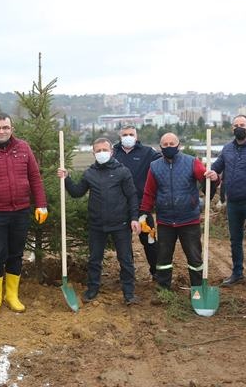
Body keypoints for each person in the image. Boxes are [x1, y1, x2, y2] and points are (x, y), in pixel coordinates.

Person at [0, 113, 48, 317]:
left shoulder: (23, 148)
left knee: (16, 254)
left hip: (20, 211)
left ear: (12, 129)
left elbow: (35, 177)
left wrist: (41, 205)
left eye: (5, 127)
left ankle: (11, 295)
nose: (1, 131)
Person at [57, 137, 140, 305]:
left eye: (105, 150)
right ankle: (92, 289)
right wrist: (66, 178)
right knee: (94, 259)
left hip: (120, 224)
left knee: (125, 259)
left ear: (111, 151)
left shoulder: (122, 172)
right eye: (98, 150)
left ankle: (129, 293)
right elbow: (77, 192)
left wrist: (134, 218)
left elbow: (132, 196)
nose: (102, 153)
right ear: (93, 153)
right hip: (97, 225)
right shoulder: (90, 173)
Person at [140, 132, 219, 292]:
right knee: (163, 258)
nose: (169, 147)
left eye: (172, 144)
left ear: (179, 145)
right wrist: (143, 213)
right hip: (165, 220)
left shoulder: (192, 162)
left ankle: (198, 288)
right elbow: (149, 192)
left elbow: (206, 183)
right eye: (165, 145)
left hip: (188, 219)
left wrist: (214, 179)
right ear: (160, 147)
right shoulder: (155, 167)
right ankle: (163, 289)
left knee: (194, 257)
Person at [211, 115, 246, 291]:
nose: (238, 128)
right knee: (235, 239)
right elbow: (217, 168)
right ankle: (237, 272)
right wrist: (211, 173)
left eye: (242, 125)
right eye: (235, 126)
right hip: (233, 202)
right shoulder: (227, 149)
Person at [113, 125, 161, 280]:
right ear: (120, 137)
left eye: (131, 134)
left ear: (136, 136)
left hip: (142, 206)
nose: (128, 137)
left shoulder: (147, 152)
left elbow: (164, 161)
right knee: (123, 244)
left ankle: (157, 272)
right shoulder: (113, 153)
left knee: (150, 240)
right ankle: (127, 274)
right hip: (119, 207)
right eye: (125, 134)